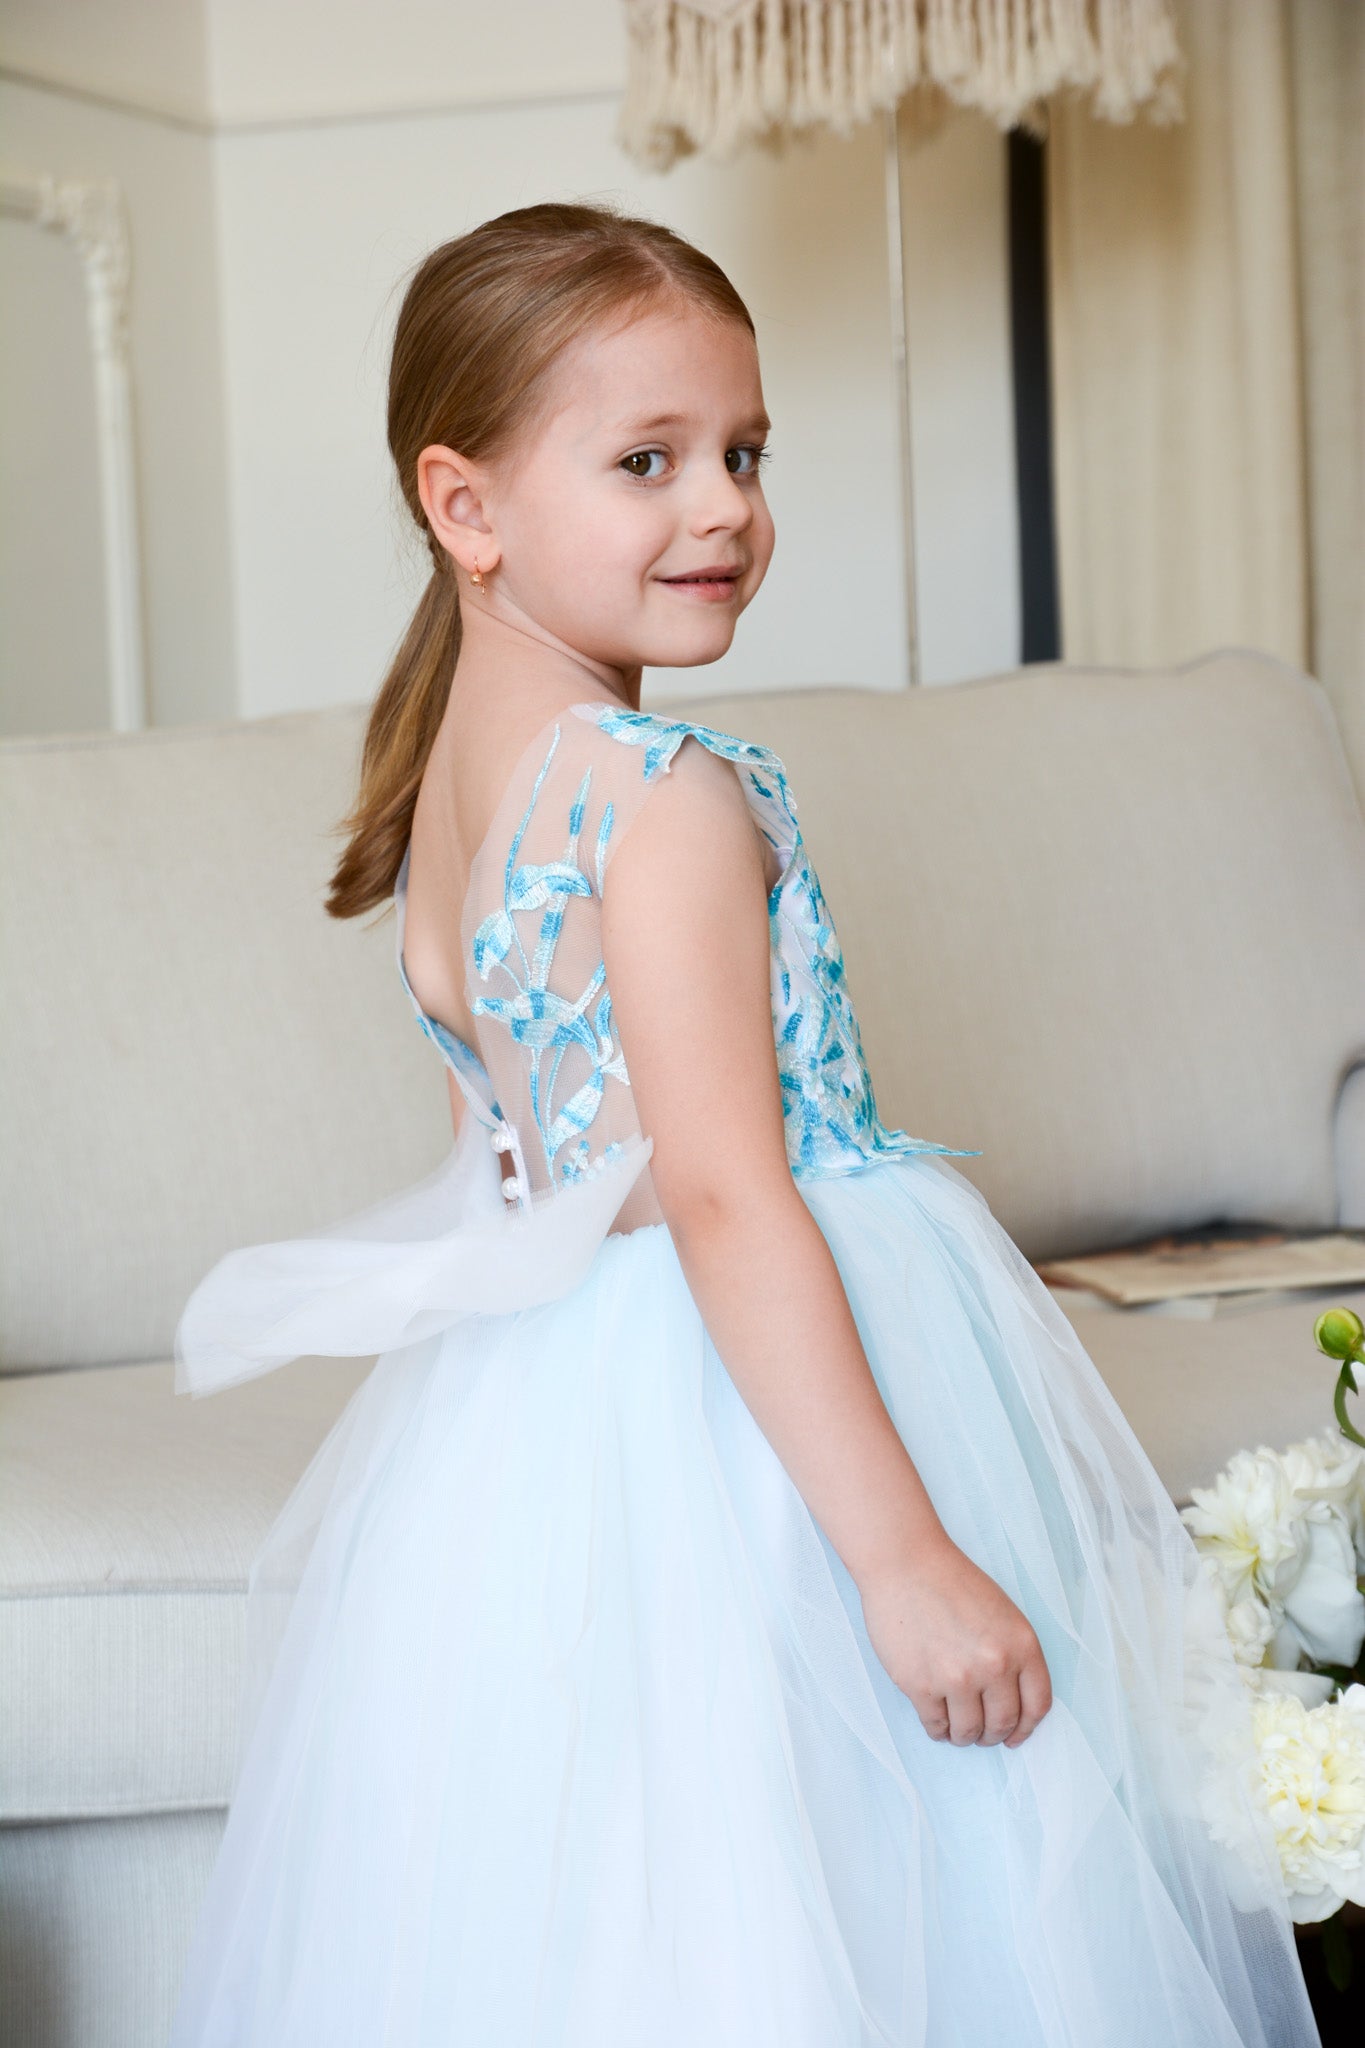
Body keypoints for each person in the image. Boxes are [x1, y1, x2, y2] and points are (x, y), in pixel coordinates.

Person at [168, 199, 1321, 2046]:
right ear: (465, 508)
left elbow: (554, 1163)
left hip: (549, 1409)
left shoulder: (448, 814)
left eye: (744, 453)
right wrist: (904, 1560)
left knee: (635, 1897)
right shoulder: (663, 796)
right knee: (887, 1872)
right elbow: (718, 1193)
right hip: (761, 1393)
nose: (722, 506)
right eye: (646, 462)